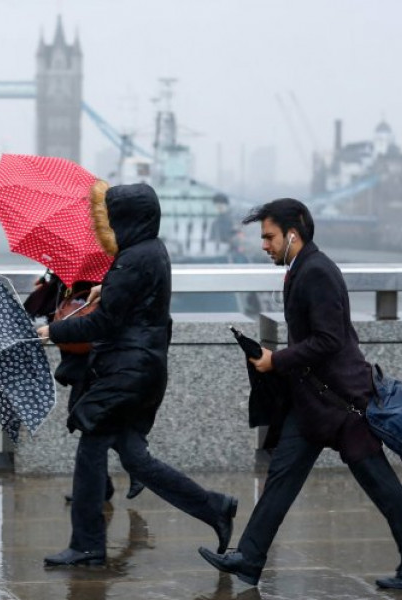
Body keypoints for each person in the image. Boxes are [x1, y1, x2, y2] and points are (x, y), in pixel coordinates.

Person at [198, 198, 402, 589]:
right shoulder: (302, 268)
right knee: (281, 476)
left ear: (292, 234)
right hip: (312, 402)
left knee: (380, 482)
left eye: (269, 236)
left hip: (343, 403)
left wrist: (276, 361)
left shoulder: (317, 272)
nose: (264, 245)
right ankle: (249, 558)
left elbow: (329, 339)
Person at [38, 181, 238, 567]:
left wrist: (53, 331)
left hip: (125, 371)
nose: (107, 225)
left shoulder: (132, 259)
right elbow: (131, 302)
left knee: (92, 448)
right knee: (133, 455)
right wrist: (103, 287)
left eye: (112, 218)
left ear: (127, 218)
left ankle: (87, 545)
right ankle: (214, 507)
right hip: (142, 368)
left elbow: (106, 324)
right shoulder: (150, 251)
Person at [24, 273, 144, 503]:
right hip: (79, 357)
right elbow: (58, 303)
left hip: (93, 359)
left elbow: (95, 316)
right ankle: (115, 479)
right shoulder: (68, 272)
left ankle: (134, 468)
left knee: (90, 421)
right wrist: (47, 283)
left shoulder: (93, 273)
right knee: (92, 423)